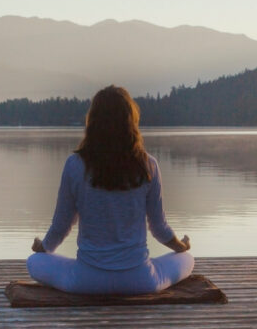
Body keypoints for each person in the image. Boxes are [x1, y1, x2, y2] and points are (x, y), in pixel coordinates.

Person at [27, 85, 194, 295]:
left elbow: (62, 225)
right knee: (187, 259)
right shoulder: (148, 165)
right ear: (130, 122)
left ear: (93, 122)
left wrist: (44, 249)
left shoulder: (74, 165)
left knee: (34, 261)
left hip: (87, 281)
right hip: (140, 281)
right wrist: (181, 247)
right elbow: (159, 228)